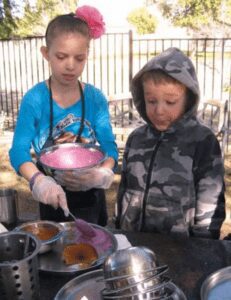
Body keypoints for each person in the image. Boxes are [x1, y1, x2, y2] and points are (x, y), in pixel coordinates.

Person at [9, 5, 118, 226]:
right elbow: (18, 151)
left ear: (87, 55)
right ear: (46, 53)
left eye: (79, 58)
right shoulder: (35, 99)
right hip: (52, 195)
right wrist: (39, 181)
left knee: (94, 244)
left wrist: (103, 174)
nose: (70, 66)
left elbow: (110, 147)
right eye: (61, 56)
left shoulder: (95, 99)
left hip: (90, 194)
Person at [115, 47, 226, 239]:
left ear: (188, 99)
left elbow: (211, 197)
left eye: (170, 102)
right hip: (134, 239)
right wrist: (118, 228)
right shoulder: (136, 138)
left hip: (182, 246)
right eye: (151, 101)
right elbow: (123, 189)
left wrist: (204, 244)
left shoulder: (202, 140)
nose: (159, 110)